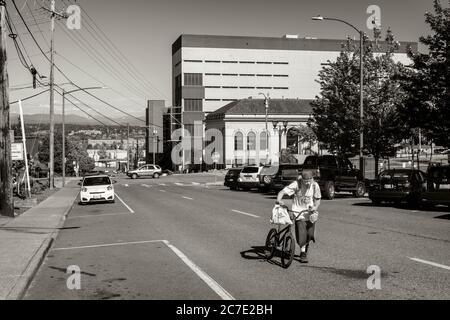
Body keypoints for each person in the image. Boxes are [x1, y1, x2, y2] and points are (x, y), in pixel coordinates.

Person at [276, 171, 321, 263]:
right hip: (298, 213)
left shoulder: (315, 185)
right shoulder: (297, 184)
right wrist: (278, 200)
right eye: (306, 181)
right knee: (302, 234)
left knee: (310, 234)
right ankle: (303, 253)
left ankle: (305, 247)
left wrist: (315, 207)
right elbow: (282, 192)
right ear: (302, 179)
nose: (308, 183)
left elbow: (317, 199)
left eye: (310, 180)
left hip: (310, 213)